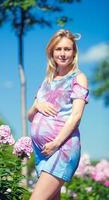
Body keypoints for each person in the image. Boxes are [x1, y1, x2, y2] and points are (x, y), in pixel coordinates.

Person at [28, 29, 89, 200]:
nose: (62, 54)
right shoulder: (47, 81)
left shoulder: (78, 78)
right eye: (58, 49)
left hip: (62, 148)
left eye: (67, 49)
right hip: (43, 153)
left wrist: (55, 143)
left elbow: (76, 116)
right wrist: (37, 105)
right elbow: (30, 116)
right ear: (52, 52)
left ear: (74, 52)